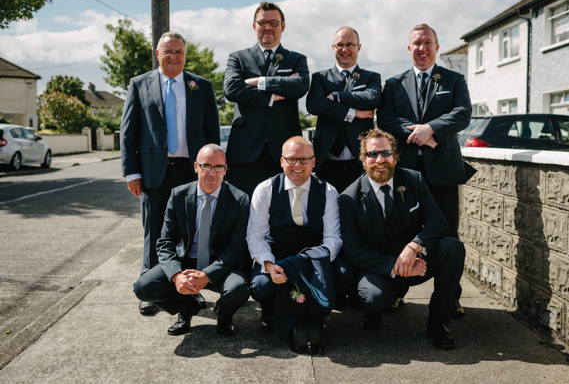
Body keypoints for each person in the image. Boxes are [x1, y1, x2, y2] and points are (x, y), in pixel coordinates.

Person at [121, 32, 220, 315]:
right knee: (153, 232)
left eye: (179, 52)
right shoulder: (139, 84)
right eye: (168, 51)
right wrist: (131, 173)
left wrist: (212, 170)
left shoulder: (201, 86)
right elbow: (128, 133)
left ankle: (190, 287)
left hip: (192, 174)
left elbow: (212, 134)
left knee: (190, 234)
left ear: (185, 55)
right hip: (154, 173)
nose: (173, 56)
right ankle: (150, 289)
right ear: (157, 53)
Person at [377, 23, 472, 317]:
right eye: (417, 43)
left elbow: (462, 113)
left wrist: (432, 128)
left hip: (443, 172)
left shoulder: (454, 80)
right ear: (409, 48)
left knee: (448, 236)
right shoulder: (394, 84)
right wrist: (416, 132)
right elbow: (386, 117)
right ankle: (396, 292)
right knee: (402, 233)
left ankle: (450, 298)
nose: (422, 48)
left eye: (428, 42)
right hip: (405, 173)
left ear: (437, 46)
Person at [338, 129, 465, 350]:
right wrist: (397, 267)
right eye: (372, 154)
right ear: (363, 160)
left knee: (452, 247)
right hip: (379, 268)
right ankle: (373, 312)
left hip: (416, 260)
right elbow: (354, 251)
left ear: (396, 157)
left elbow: (438, 223)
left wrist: (414, 246)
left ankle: (437, 324)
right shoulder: (348, 198)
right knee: (374, 297)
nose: (379, 160)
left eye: (386, 153)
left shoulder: (413, 180)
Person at [133, 144, 250, 336]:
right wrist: (176, 275)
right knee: (143, 287)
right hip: (186, 261)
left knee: (238, 289)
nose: (212, 172)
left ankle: (224, 314)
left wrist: (207, 275)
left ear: (225, 170)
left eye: (218, 167)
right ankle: (186, 306)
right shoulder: (178, 195)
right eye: (206, 166)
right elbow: (165, 243)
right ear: (196, 167)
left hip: (220, 263)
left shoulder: (239, 200)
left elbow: (237, 248)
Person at [246, 136, 351, 336]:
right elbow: (255, 235)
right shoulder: (265, 190)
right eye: (292, 159)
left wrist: (309, 264)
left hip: (314, 255)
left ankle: (318, 310)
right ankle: (269, 311)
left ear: (313, 162)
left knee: (344, 275)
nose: (297, 165)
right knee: (261, 285)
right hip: (278, 255)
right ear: (282, 161)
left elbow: (333, 238)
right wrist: (268, 264)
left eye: (304, 160)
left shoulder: (328, 191)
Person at [224, 1, 310, 197]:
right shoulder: (237, 58)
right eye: (263, 22)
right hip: (245, 151)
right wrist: (272, 97)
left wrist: (259, 81)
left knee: (281, 211)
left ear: (283, 26)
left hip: (284, 151)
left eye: (273, 22)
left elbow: (300, 86)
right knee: (242, 212)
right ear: (254, 25)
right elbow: (232, 89)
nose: (268, 27)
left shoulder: (296, 59)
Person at [306, 26, 381, 193]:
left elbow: (372, 98)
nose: (345, 49)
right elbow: (314, 105)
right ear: (333, 47)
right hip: (327, 161)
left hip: (361, 161)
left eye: (350, 44)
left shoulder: (371, 77)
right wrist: (353, 113)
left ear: (358, 47)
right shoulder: (320, 78)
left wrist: (337, 96)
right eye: (340, 44)